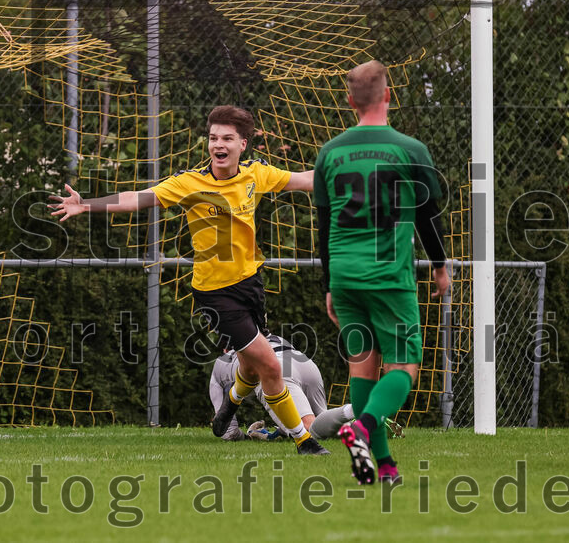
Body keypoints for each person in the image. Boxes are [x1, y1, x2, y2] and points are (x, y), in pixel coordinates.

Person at [51, 104, 330, 455]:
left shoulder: (255, 175)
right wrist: (86, 204)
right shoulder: (190, 182)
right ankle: (304, 441)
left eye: (227, 138)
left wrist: (345, 170)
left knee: (249, 365)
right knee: (270, 365)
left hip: (250, 284)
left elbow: (304, 180)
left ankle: (230, 403)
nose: (218, 144)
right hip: (215, 294)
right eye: (213, 137)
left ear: (243, 144)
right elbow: (139, 199)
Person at [314, 60, 450, 484]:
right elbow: (429, 215)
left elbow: (323, 225)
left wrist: (329, 285)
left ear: (350, 101)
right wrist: (440, 266)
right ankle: (362, 428)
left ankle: (385, 464)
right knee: (404, 369)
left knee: (362, 365)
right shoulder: (410, 150)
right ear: (388, 96)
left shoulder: (330, 152)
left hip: (345, 276)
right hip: (389, 277)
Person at [209, 333, 356, 441]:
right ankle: (364, 423)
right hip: (305, 363)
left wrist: (247, 437)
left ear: (225, 349)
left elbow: (228, 432)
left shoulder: (222, 362)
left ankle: (358, 409)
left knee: (308, 429)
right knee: (326, 425)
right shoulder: (272, 337)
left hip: (276, 370)